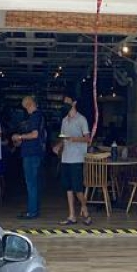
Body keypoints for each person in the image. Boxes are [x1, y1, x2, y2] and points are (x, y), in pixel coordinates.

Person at [58, 95, 93, 226]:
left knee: (78, 188)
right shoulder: (64, 120)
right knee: (68, 188)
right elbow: (63, 137)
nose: (65, 103)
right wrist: (59, 146)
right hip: (65, 157)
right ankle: (72, 215)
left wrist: (74, 139)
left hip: (77, 157)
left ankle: (85, 210)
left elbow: (88, 139)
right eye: (64, 101)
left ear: (74, 102)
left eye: (68, 101)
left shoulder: (81, 119)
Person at [11, 96, 45, 219]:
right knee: (33, 183)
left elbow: (35, 135)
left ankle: (32, 211)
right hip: (33, 152)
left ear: (29, 104)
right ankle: (33, 209)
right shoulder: (37, 116)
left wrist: (19, 137)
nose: (25, 109)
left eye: (25, 106)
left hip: (32, 153)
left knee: (31, 183)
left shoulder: (35, 116)